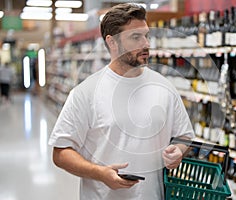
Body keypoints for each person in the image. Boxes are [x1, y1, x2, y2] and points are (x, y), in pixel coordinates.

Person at [48, 3, 195, 200]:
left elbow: (184, 136)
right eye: (136, 37)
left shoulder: (165, 87)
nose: (146, 44)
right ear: (112, 42)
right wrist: (99, 173)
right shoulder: (85, 93)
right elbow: (61, 152)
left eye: (146, 35)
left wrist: (178, 151)